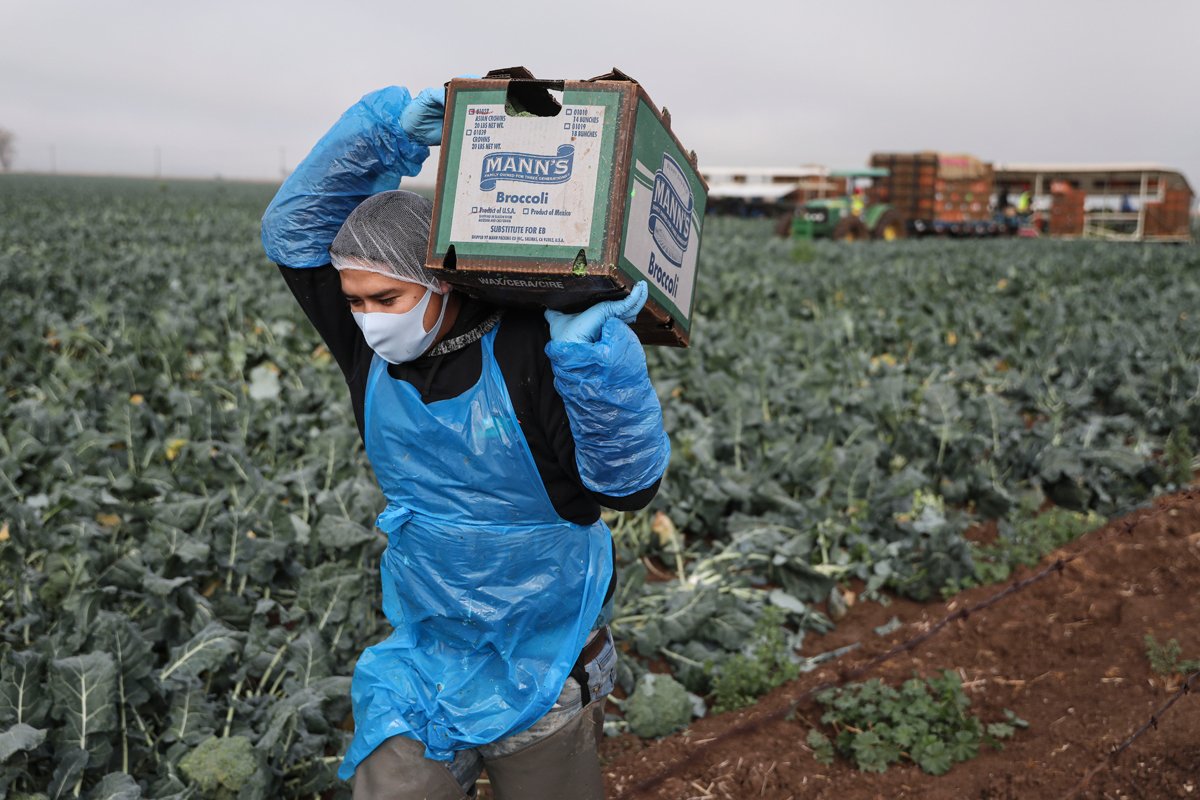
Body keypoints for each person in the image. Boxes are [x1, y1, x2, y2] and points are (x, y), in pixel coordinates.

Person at [260, 84, 670, 799]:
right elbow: (295, 230)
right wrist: (380, 135)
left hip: (540, 648)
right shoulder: (372, 356)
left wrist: (598, 373)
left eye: (384, 299)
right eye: (352, 300)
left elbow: (627, 489)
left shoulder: (527, 348)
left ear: (442, 283)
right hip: (428, 644)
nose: (363, 320)